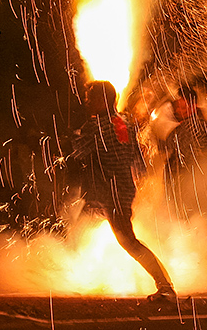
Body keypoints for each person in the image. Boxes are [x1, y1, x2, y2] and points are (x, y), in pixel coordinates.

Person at [70, 80, 176, 301]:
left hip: (111, 192)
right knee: (81, 223)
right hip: (119, 190)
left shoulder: (96, 126)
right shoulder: (123, 123)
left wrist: (72, 137)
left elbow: (78, 152)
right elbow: (138, 158)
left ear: (102, 100)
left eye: (90, 97)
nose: (86, 101)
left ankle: (165, 286)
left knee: (127, 240)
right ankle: (73, 271)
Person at [163, 85, 207, 218]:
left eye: (183, 107)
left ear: (193, 105)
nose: (179, 111)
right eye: (177, 107)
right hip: (189, 179)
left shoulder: (194, 125)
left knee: (196, 211)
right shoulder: (192, 120)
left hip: (192, 179)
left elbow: (203, 154)